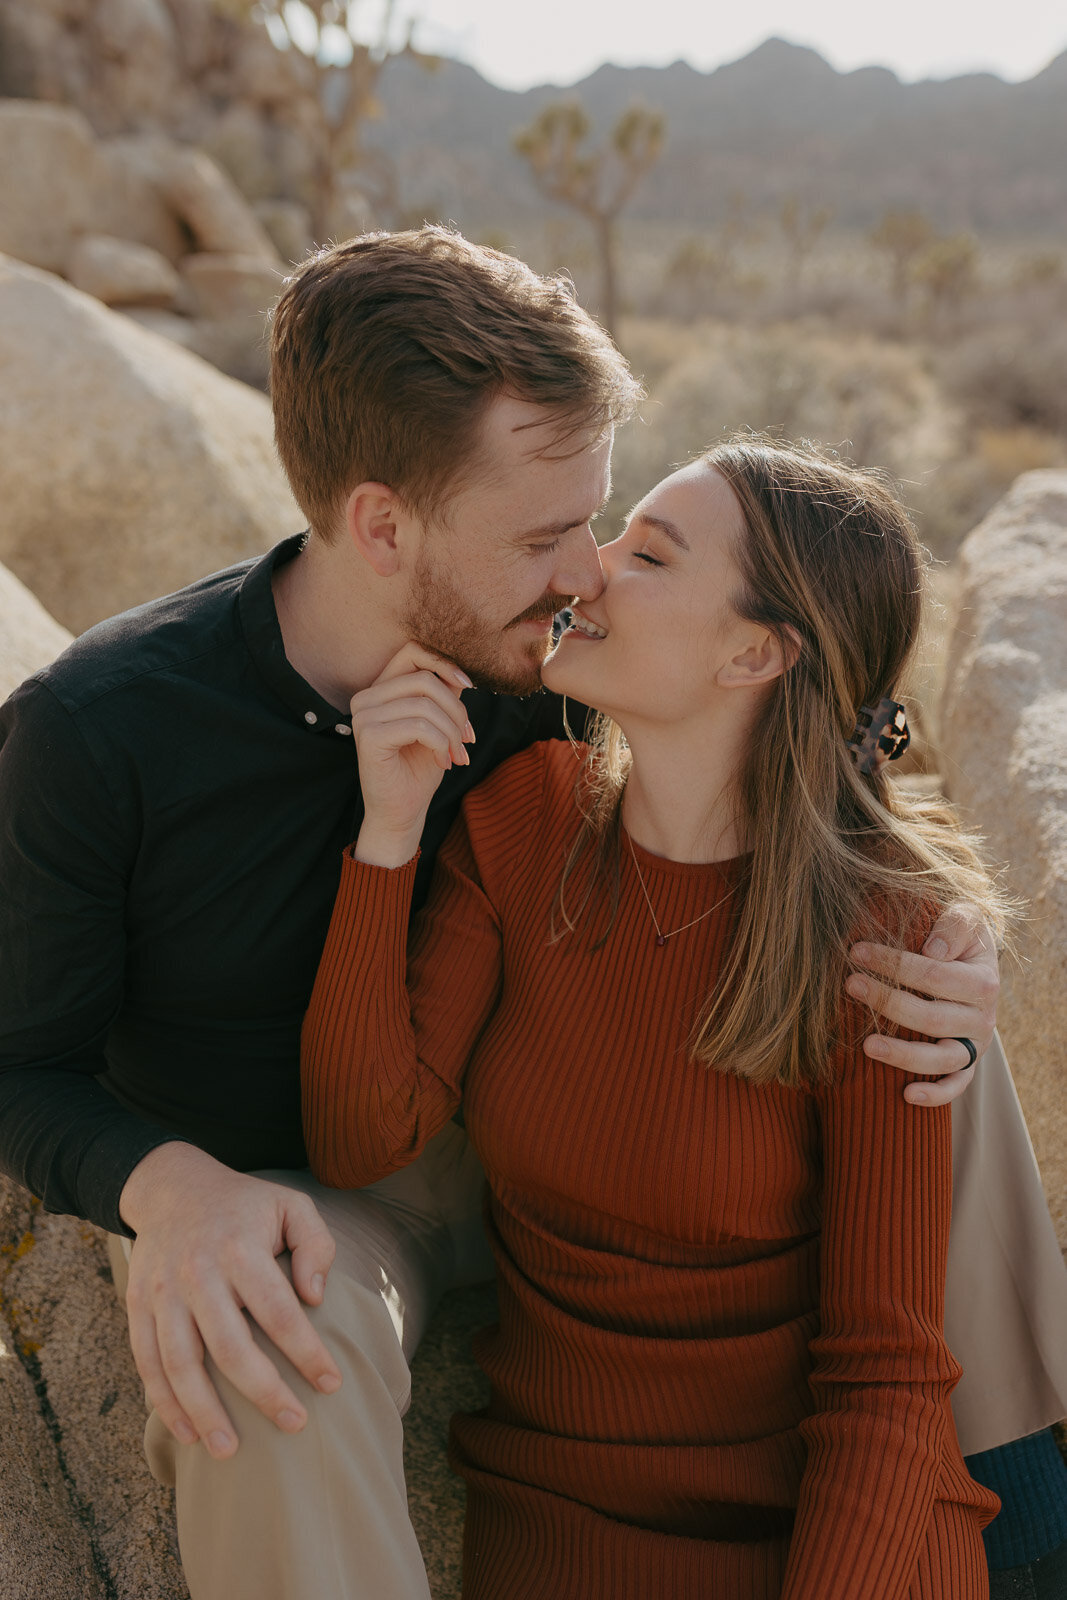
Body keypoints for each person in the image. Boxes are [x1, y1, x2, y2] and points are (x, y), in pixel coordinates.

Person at [0, 228, 1062, 1600]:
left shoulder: (554, 663)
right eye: (545, 536)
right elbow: (17, 1057)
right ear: (382, 525)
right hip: (332, 1181)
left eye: (599, 521)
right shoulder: (100, 734)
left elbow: (797, 712)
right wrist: (169, 1187)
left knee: (922, 1026)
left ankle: (1026, 1523)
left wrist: (934, 914)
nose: (584, 574)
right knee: (261, 1342)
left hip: (554, 1105)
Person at [299, 436, 1032, 1596]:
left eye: (646, 553)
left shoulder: (878, 942)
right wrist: (384, 839)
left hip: (834, 1543)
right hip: (560, 1532)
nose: (585, 570)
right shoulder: (519, 821)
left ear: (753, 651)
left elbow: (884, 1383)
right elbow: (358, 1137)